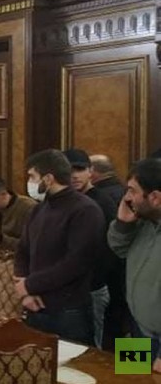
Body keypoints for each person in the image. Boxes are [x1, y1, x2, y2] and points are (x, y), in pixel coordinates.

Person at [14, 149, 103, 346]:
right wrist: (26, 291)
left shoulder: (85, 209)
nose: (29, 182)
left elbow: (76, 263)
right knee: (36, 359)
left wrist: (30, 285)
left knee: (81, 363)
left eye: (32, 176)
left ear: (48, 178)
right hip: (35, 304)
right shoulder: (39, 209)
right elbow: (22, 250)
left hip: (68, 309)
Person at [108, 157, 161, 373]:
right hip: (136, 329)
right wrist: (123, 224)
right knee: (129, 378)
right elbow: (119, 249)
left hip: (159, 344)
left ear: (155, 197)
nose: (127, 198)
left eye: (132, 191)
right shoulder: (144, 222)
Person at [64, 148, 120, 349]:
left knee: (106, 344)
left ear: (91, 171)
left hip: (107, 285)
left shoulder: (100, 202)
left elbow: (110, 249)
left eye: (79, 169)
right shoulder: (73, 201)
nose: (74, 175)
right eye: (69, 170)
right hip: (99, 285)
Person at [89, 153, 130, 350]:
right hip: (129, 291)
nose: (129, 198)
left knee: (113, 336)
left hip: (113, 279)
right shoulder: (120, 195)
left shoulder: (102, 198)